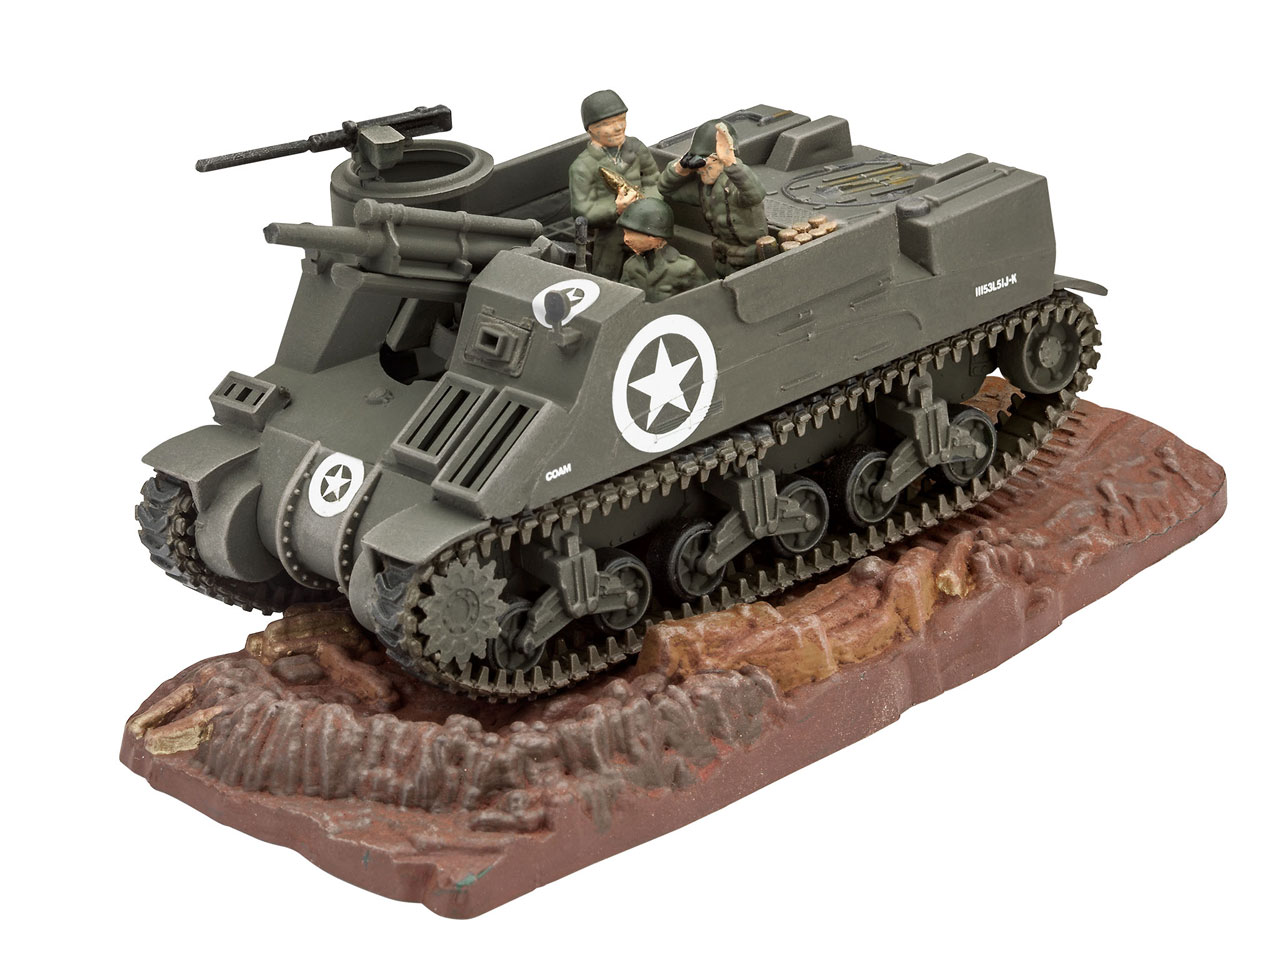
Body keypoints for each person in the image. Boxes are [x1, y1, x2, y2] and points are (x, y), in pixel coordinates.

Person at [568, 90, 659, 281]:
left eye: (622, 119)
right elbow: (582, 210)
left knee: (654, 273)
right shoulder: (582, 166)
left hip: (645, 228)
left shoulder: (637, 149)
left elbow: (654, 180)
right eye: (608, 124)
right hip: (610, 234)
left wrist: (647, 204)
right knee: (606, 278)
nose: (619, 127)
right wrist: (616, 209)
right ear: (591, 129)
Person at [658, 120, 767, 276]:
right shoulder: (705, 189)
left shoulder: (735, 186)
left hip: (752, 261)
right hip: (723, 258)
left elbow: (756, 194)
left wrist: (731, 163)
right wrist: (680, 167)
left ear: (721, 159)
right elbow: (667, 189)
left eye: (707, 166)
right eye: (699, 166)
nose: (700, 170)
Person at [617, 198, 708, 303]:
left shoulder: (685, 268)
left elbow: (706, 299)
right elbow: (623, 299)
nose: (626, 239)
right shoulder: (630, 266)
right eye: (625, 233)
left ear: (654, 236)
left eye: (632, 233)